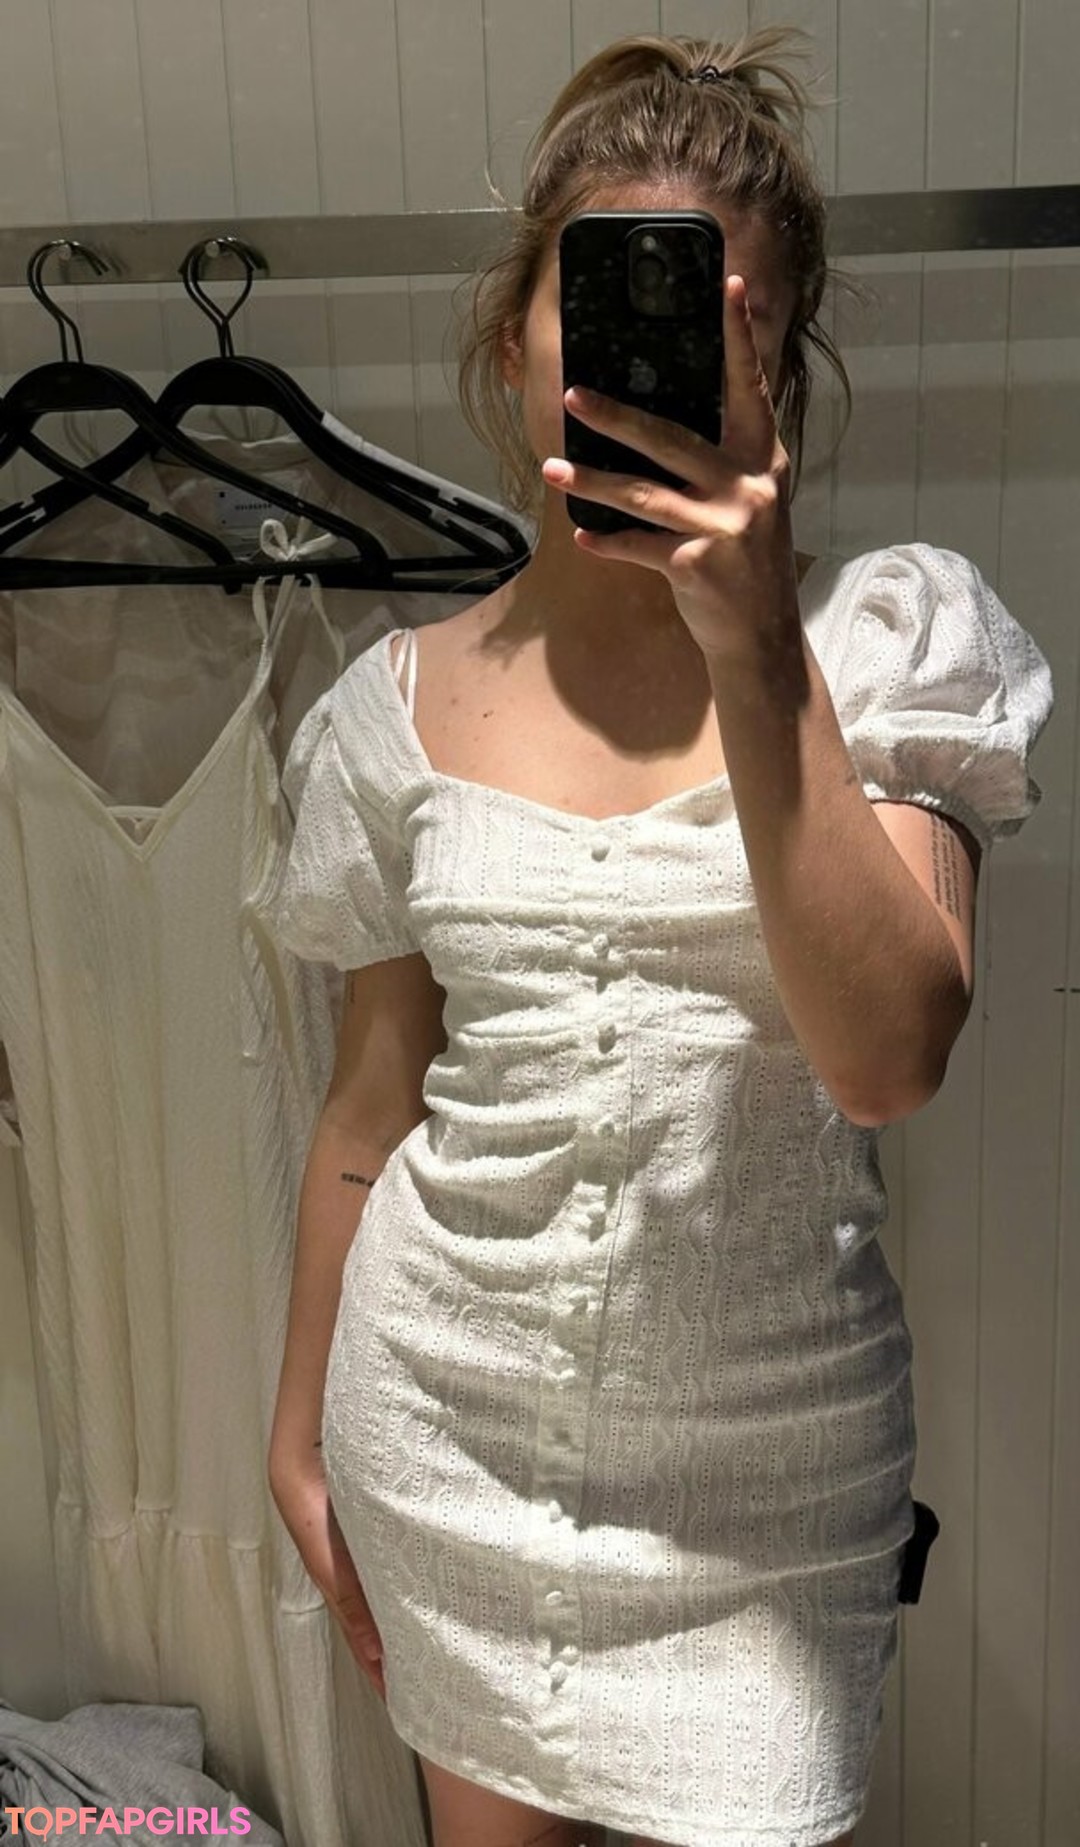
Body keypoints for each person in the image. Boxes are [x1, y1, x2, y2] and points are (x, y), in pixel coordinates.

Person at [267, 27, 1054, 1847]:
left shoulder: (888, 647)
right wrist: (297, 1427)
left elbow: (891, 1056)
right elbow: (367, 1110)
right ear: (515, 340)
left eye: (722, 321)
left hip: (767, 1516)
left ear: (781, 364)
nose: (646, 362)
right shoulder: (393, 708)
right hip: (437, 1443)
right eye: (600, 309)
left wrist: (753, 638)